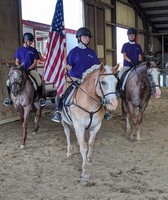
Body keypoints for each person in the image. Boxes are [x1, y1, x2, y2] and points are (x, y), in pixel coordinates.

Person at [51, 27, 112, 122]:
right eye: (85, 37)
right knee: (62, 91)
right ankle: (58, 110)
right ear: (79, 38)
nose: (87, 39)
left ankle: (105, 110)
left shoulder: (91, 52)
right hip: (75, 78)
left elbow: (97, 66)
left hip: (88, 79)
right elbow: (68, 65)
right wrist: (66, 66)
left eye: (88, 37)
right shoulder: (73, 52)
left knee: (100, 90)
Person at [3, 32, 46, 107]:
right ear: (25, 40)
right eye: (30, 41)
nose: (31, 42)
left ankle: (41, 98)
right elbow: (17, 61)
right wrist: (19, 67)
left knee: (39, 81)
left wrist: (29, 69)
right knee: (8, 82)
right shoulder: (19, 50)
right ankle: (9, 99)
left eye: (32, 41)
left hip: (30, 70)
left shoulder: (34, 50)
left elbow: (35, 62)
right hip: (20, 70)